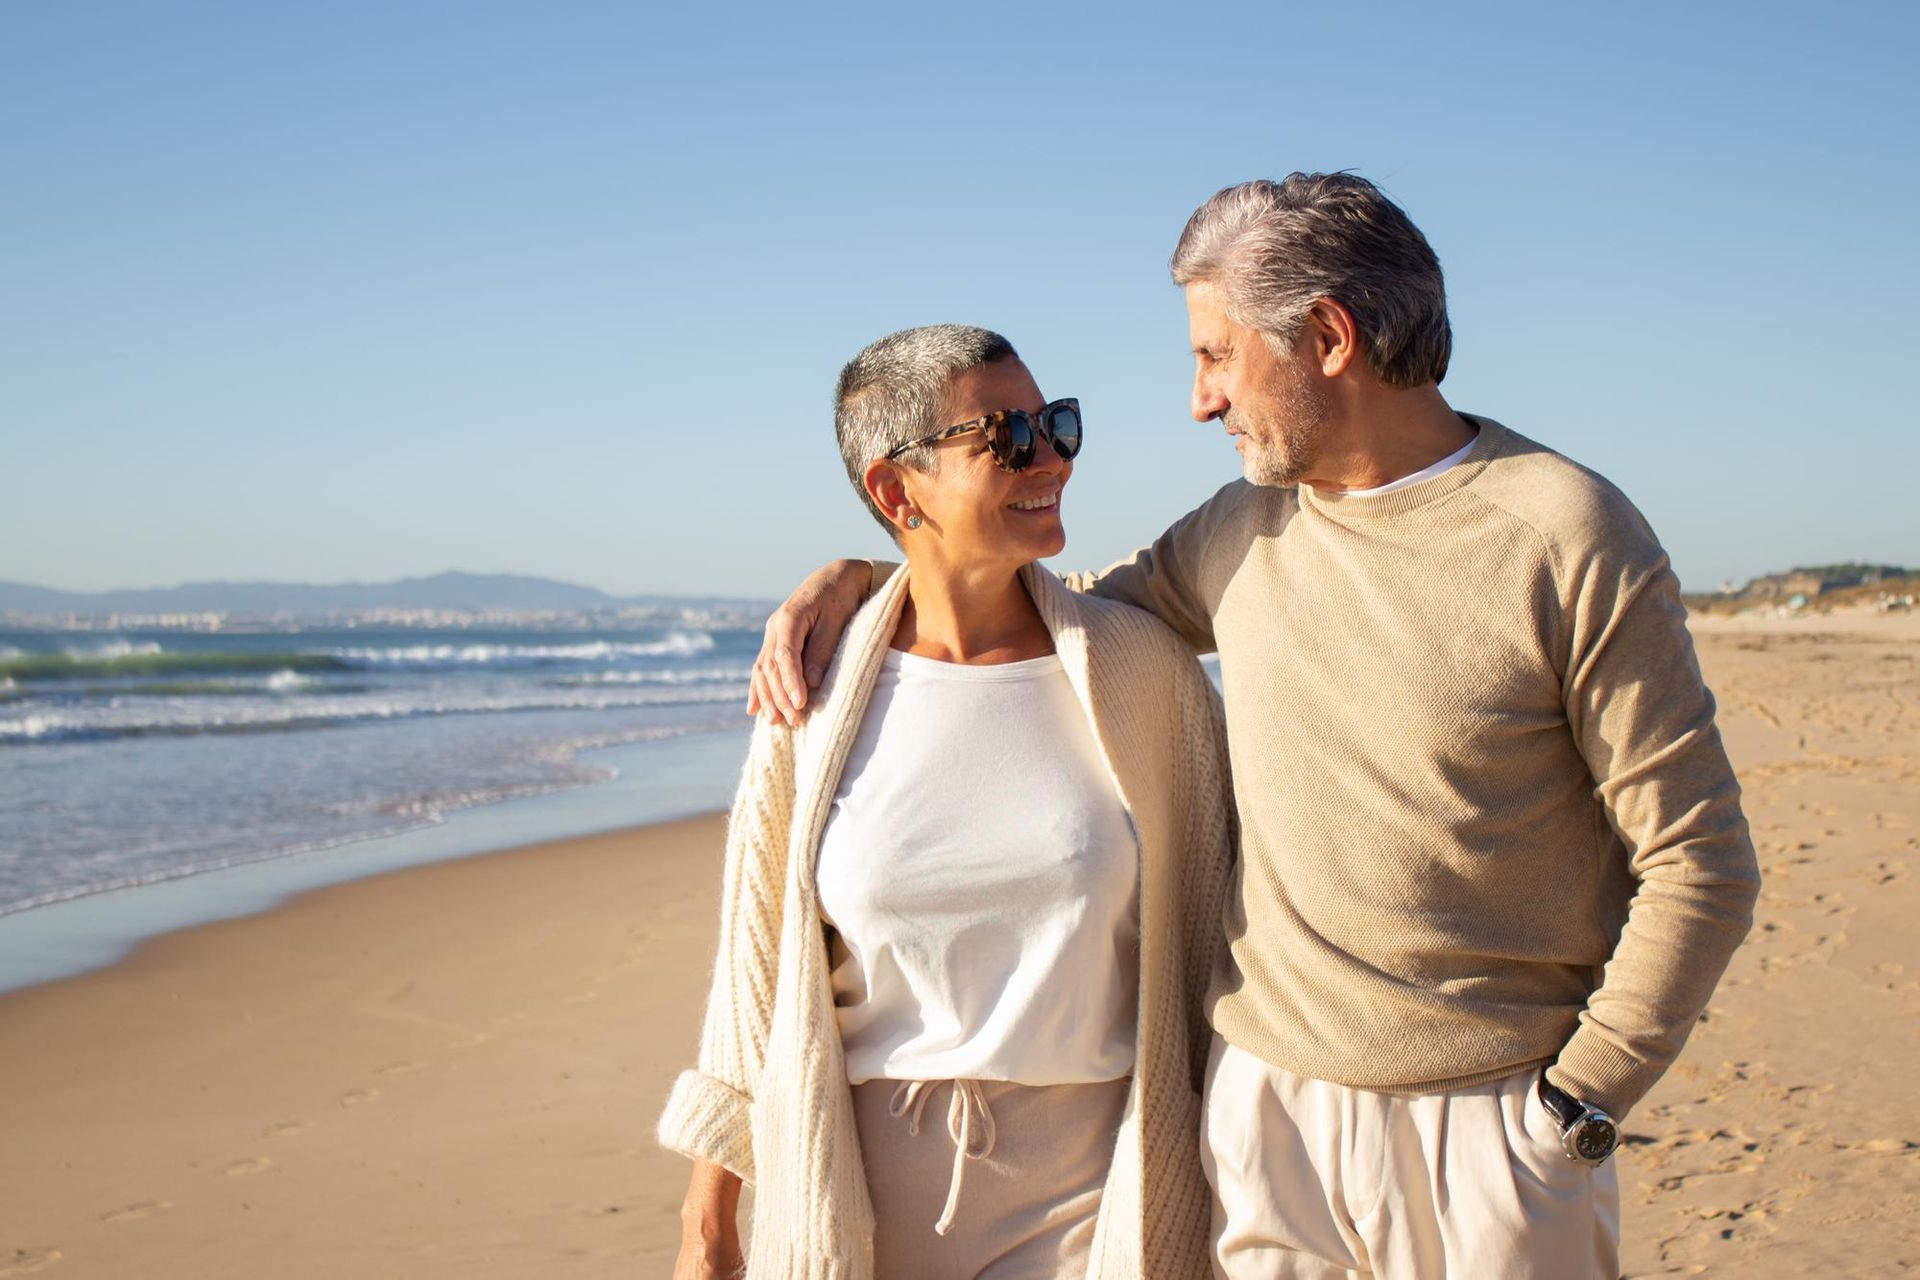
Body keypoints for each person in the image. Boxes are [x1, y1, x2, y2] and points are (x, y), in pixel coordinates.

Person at [748, 175, 1763, 1279]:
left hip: (1491, 1128)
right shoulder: (1243, 525)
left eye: (1215, 356)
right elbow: (1039, 600)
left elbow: (1701, 859)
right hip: (1262, 1119)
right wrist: (857, 574)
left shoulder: (1566, 531)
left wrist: (1580, 1100)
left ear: (1327, 337)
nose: (1199, 400)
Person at [659, 324, 1235, 1279]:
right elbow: (752, 962)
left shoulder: (1142, 673)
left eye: (1059, 425)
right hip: (857, 1182)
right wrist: (707, 1213)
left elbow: (1220, 935)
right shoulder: (817, 689)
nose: (1048, 455)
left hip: (1100, 1183)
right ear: (896, 489)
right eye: (1008, 436)